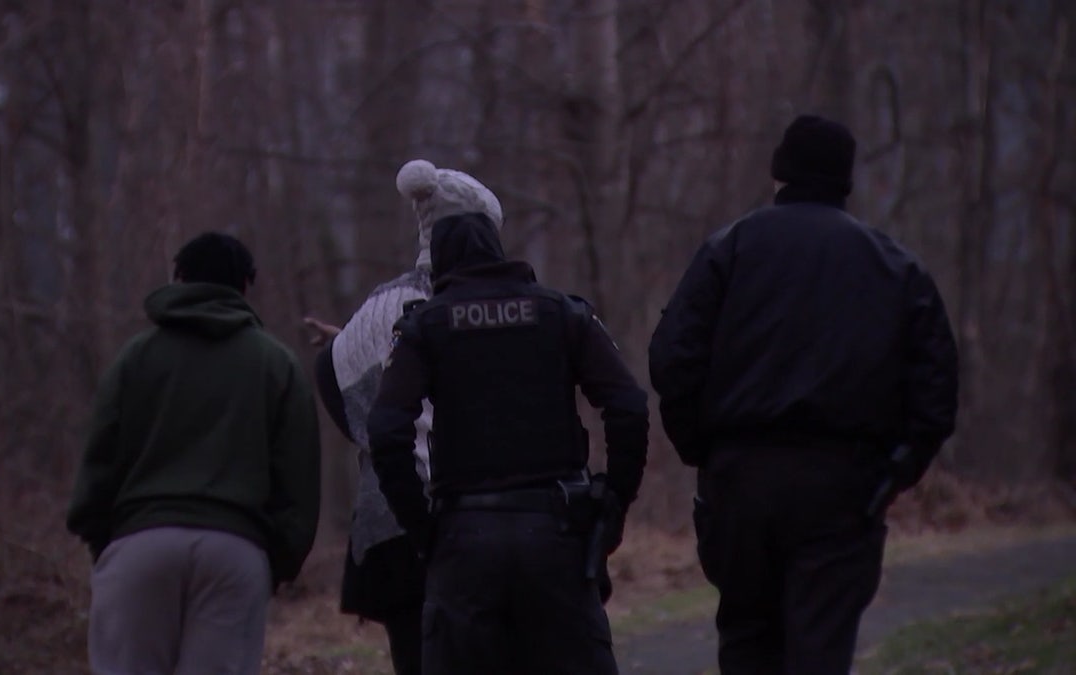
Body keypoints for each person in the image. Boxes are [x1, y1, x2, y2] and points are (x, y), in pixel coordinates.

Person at [648, 114, 959, 675]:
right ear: (845, 180)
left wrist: (704, 451)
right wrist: (892, 474)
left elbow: (672, 357)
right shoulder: (893, 266)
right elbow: (936, 388)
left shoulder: (730, 250)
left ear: (779, 174)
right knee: (820, 648)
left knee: (745, 639)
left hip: (741, 477)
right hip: (842, 484)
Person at [368, 211, 649, 675]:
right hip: (556, 535)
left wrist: (423, 529)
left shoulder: (426, 327)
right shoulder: (561, 313)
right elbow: (629, 406)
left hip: (463, 541)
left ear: (439, 268)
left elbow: (386, 429)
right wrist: (613, 502)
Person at [66, 232, 321, 675]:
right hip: (235, 550)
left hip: (139, 544)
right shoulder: (276, 363)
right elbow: (297, 481)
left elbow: (98, 463)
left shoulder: (136, 357)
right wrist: (275, 563)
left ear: (178, 279)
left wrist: (104, 539)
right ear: (245, 286)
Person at [303, 159, 504, 675]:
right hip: (482, 525)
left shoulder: (378, 306)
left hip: (391, 526)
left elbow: (334, 380)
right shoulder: (489, 304)